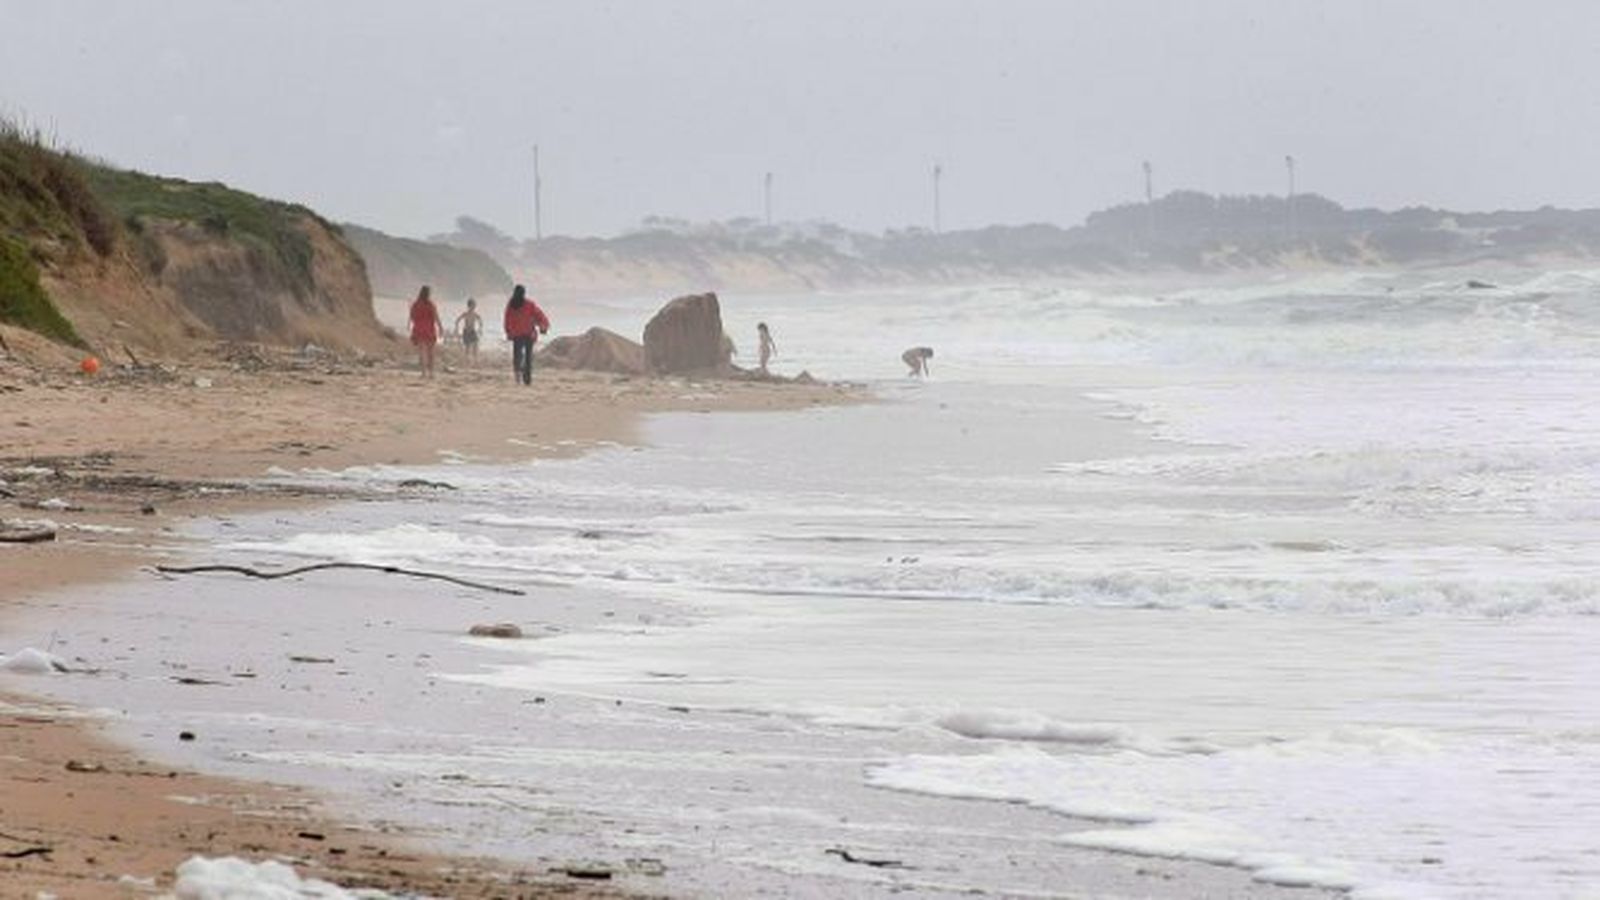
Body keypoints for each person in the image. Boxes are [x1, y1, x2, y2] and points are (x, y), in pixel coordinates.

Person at [503, 284, 550, 385]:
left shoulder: (511, 305)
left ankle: (518, 378)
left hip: (517, 334)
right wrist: (544, 326)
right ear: (524, 294)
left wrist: (508, 332)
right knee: (528, 358)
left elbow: (507, 319)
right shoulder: (529, 304)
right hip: (529, 334)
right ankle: (527, 380)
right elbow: (539, 315)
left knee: (517, 356)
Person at [408, 285, 443, 378]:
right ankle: (431, 373)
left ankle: (423, 373)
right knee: (431, 352)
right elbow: (436, 317)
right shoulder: (431, 304)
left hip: (419, 329)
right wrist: (441, 328)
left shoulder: (416, 304)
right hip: (429, 330)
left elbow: (412, 317)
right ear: (428, 294)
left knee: (422, 352)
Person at [454, 298, 483, 367]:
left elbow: (480, 321)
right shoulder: (465, 314)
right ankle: (467, 361)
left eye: (474, 306)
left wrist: (480, 329)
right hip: (467, 331)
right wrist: (456, 329)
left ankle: (475, 361)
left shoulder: (475, 314)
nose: (473, 307)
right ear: (469, 306)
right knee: (467, 347)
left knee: (475, 345)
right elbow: (457, 320)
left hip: (472, 331)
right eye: (472, 305)